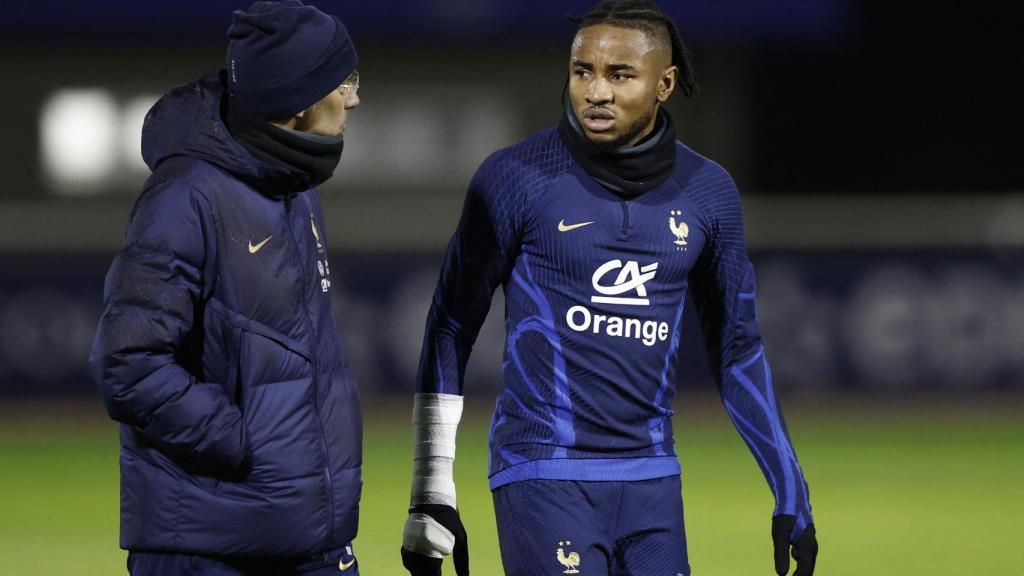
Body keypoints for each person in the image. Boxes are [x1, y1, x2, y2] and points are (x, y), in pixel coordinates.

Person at [399, 1, 818, 575]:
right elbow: (450, 325)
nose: (596, 91)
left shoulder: (708, 193)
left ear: (664, 84)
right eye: (582, 72)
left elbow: (737, 348)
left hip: (652, 477)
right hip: (542, 472)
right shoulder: (513, 178)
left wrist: (790, 487)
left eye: (620, 75)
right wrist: (431, 486)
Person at [90, 2, 364, 574]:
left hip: (304, 540)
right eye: (343, 82)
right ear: (296, 102)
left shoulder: (292, 187)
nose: (354, 98)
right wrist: (239, 441)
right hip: (210, 548)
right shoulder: (184, 197)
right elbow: (129, 362)